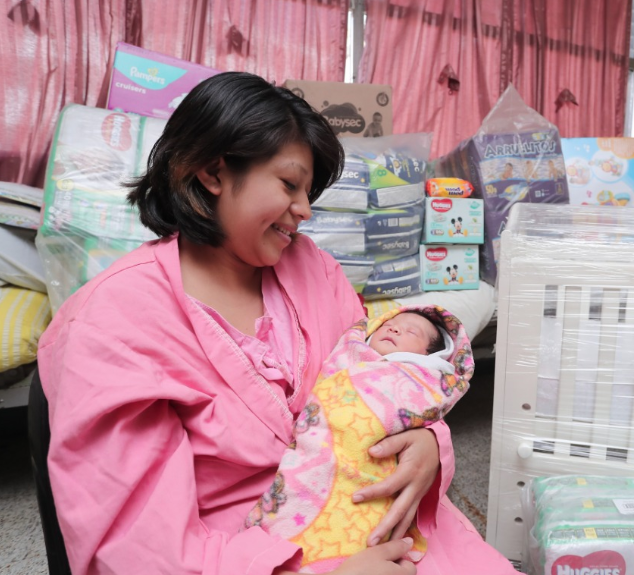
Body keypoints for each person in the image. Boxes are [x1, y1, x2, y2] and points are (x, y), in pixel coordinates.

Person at [37, 72, 517, 575]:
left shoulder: (314, 269)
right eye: (289, 185)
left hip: (375, 516)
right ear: (211, 172)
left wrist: (428, 443)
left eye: (309, 192)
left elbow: (382, 383)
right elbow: (136, 547)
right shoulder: (114, 324)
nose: (304, 211)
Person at [246, 306, 475, 573]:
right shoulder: (350, 358)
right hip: (314, 457)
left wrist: (433, 439)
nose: (394, 328)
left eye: (411, 331)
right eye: (389, 324)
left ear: (430, 355)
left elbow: (429, 408)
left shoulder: (422, 378)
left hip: (380, 469)